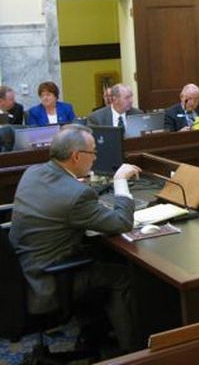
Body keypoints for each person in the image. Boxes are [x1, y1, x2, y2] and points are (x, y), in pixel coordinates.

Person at [9, 124, 143, 353]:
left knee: (97, 253)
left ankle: (93, 332)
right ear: (76, 156)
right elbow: (121, 223)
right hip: (47, 283)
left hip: (22, 273)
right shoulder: (76, 194)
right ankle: (131, 352)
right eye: (93, 153)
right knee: (121, 275)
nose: (95, 158)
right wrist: (120, 181)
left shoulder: (33, 172)